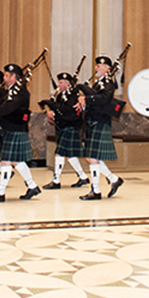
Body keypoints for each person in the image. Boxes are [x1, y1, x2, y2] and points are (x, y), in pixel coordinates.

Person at [0, 64, 41, 203]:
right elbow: (2, 103)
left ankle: (0, 192)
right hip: (11, 128)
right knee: (15, 161)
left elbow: (10, 106)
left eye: (6, 75)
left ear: (14, 77)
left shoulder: (19, 91)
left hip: (15, 128)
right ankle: (32, 186)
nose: (4, 78)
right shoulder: (10, 90)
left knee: (6, 161)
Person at [75, 56, 124, 200]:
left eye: (99, 66)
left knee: (92, 157)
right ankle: (113, 179)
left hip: (100, 121)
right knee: (91, 157)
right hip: (93, 120)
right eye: (96, 65)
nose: (96, 68)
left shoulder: (109, 82)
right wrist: (83, 103)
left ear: (107, 68)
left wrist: (86, 98)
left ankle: (96, 190)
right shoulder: (99, 83)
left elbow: (103, 99)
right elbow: (95, 98)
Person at [40, 72, 90, 189]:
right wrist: (51, 113)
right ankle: (83, 177)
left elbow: (70, 112)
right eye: (59, 82)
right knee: (69, 155)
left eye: (61, 82)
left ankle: (56, 180)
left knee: (60, 153)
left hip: (71, 126)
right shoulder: (59, 95)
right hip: (62, 126)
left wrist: (54, 107)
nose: (58, 84)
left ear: (68, 84)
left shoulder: (74, 95)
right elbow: (58, 109)